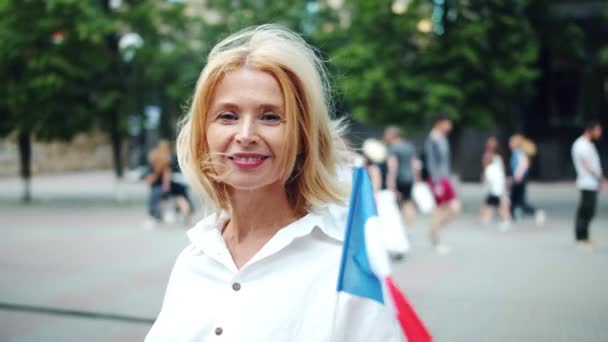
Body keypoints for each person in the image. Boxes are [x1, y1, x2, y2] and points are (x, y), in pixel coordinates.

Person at [145, 25, 403, 341]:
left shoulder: (344, 273)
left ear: (303, 137)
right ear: (204, 134)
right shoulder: (193, 259)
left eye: (270, 117)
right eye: (227, 116)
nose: (245, 135)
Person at [424, 114, 460, 254]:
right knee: (440, 210)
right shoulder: (432, 139)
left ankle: (433, 231)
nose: (449, 127)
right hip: (438, 180)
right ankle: (435, 238)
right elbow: (431, 163)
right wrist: (436, 183)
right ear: (439, 123)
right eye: (447, 123)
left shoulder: (443, 138)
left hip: (445, 178)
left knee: (453, 208)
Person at [571, 121, 606, 250]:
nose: (599, 133)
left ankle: (585, 236)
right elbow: (586, 164)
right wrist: (600, 178)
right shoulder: (581, 145)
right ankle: (580, 238)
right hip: (586, 182)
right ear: (589, 130)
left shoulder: (588, 145)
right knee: (585, 211)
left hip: (592, 183)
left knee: (589, 211)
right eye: (597, 130)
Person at [384, 126, 417, 228]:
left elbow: (393, 165)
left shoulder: (393, 148)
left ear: (393, 135)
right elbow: (414, 164)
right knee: (408, 202)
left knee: (396, 204)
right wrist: (415, 179)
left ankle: (398, 229)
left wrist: (390, 181)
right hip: (409, 179)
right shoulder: (409, 146)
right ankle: (408, 227)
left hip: (398, 179)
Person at [508, 134, 545, 225]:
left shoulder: (519, 152)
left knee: (519, 201)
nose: (509, 144)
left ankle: (536, 212)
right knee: (514, 200)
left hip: (519, 178)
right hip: (518, 178)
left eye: (511, 142)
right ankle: (512, 217)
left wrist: (517, 177)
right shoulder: (516, 152)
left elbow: (523, 165)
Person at [479, 136, 511, 231]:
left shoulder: (499, 155)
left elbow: (502, 169)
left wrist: (504, 179)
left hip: (498, 182)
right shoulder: (487, 154)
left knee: (499, 201)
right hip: (492, 182)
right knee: (493, 201)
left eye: (493, 143)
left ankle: (505, 219)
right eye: (490, 143)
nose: (492, 145)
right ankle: (487, 218)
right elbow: (485, 167)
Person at [144, 140, 172, 227]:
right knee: (161, 199)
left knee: (155, 199)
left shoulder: (154, 155)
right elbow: (166, 173)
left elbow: (150, 171)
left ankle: (154, 216)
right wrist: (166, 184)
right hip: (158, 182)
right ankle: (157, 216)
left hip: (155, 183)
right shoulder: (165, 158)